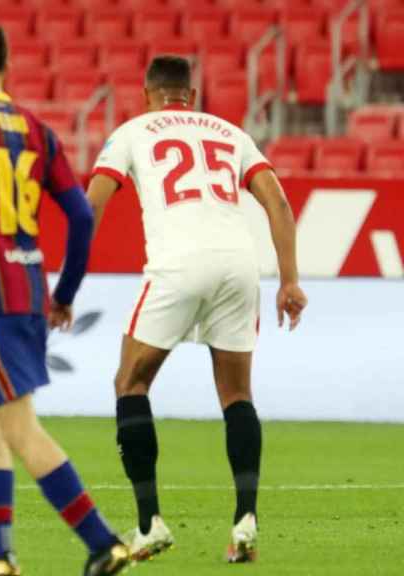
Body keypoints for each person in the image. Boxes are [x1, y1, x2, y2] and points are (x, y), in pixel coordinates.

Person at [0, 23, 131, 576]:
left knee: (18, 426)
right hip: (28, 287)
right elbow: (82, 215)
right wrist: (63, 293)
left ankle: (102, 542)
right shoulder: (37, 129)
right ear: (6, 67)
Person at [85, 55, 308, 563]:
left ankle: (149, 524)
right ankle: (245, 522)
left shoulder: (133, 130)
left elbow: (94, 201)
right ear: (193, 94)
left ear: (148, 94)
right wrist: (290, 279)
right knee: (236, 394)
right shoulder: (230, 132)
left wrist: (71, 272)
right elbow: (277, 202)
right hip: (238, 265)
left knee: (131, 384)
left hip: (178, 264)